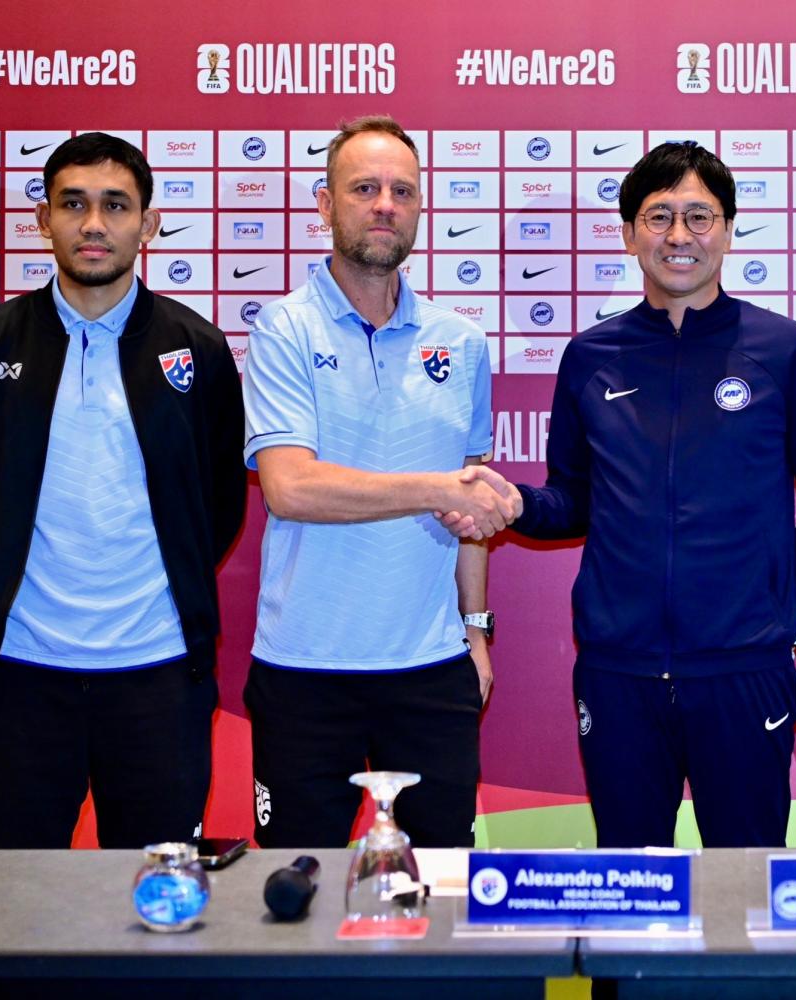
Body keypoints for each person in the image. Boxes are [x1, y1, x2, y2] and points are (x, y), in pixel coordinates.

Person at [493, 141, 796, 848]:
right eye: (658, 217)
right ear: (629, 233)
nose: (678, 236)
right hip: (618, 671)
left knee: (745, 887)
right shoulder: (591, 356)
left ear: (728, 227)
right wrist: (515, 504)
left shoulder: (786, 351)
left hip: (745, 669)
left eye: (698, 216)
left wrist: (787, 613)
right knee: (628, 888)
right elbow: (575, 499)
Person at [0, 132, 246, 848]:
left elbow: (218, 500)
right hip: (19, 675)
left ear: (150, 223)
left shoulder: (196, 348)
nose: (94, 224)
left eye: (115, 205)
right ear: (44, 219)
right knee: (2, 905)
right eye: (73, 204)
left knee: (157, 910)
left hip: (158, 678)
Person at [241, 115, 518, 848]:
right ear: (327, 205)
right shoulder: (282, 329)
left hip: (431, 671)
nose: (384, 205)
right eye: (364, 188)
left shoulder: (460, 343)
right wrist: (436, 489)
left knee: (442, 894)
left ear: (422, 205)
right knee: (297, 898)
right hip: (304, 669)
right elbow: (291, 488)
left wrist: (476, 630)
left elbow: (469, 514)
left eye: (401, 190)